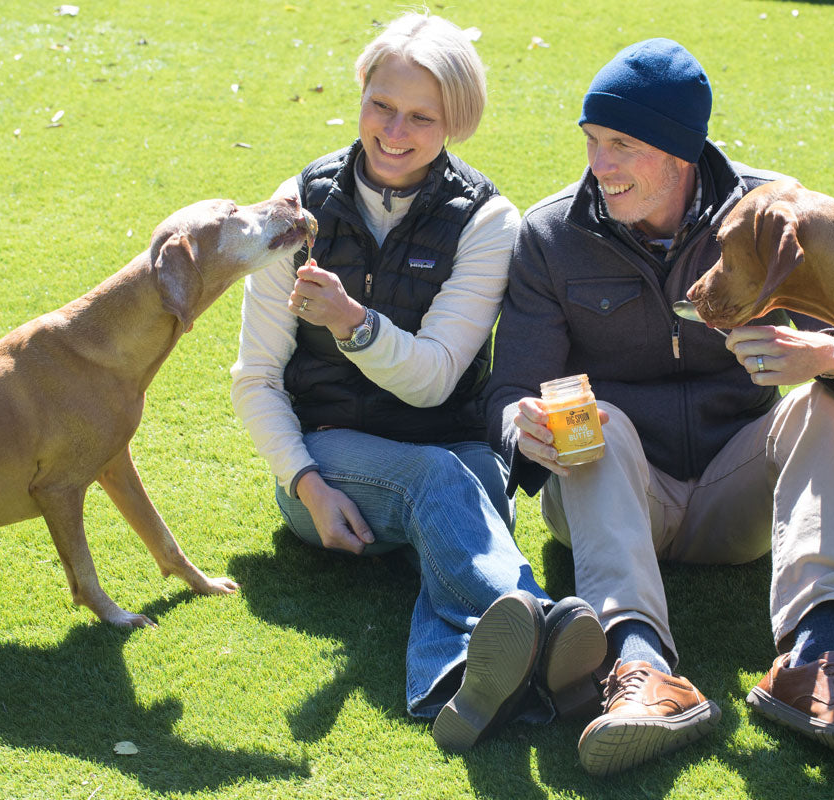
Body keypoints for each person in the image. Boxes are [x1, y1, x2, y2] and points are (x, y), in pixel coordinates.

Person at [486, 38, 834, 775]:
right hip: (613, 494)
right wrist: (518, 426)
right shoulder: (549, 236)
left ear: (680, 154)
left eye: (621, 144)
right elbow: (506, 390)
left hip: (736, 498)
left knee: (826, 401)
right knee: (598, 419)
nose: (597, 165)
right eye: (591, 141)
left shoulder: (774, 215)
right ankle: (641, 670)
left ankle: (815, 656)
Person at [230, 12, 605, 751]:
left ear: (455, 123)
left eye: (421, 117)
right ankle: (541, 619)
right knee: (446, 481)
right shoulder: (298, 204)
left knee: (456, 482)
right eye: (381, 105)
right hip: (329, 469)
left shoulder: (487, 220)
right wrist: (304, 482)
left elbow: (434, 382)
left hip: (450, 447)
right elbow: (255, 378)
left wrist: (351, 322)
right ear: (360, 94)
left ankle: (455, 682)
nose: (393, 131)